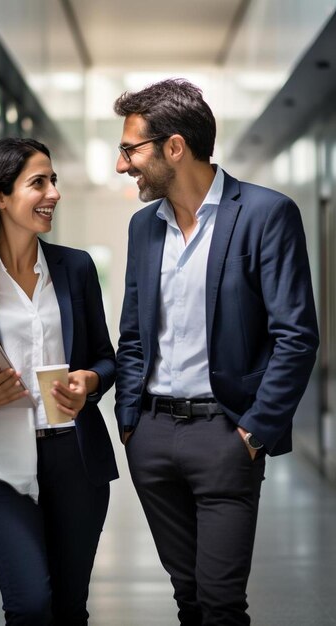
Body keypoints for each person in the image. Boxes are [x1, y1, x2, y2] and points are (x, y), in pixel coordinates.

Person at [113, 78, 319, 626]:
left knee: (222, 603)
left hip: (226, 434)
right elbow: (133, 333)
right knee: (190, 601)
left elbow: (296, 335)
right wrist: (130, 421)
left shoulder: (265, 213)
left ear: (173, 148)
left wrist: (253, 433)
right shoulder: (143, 228)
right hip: (152, 438)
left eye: (130, 149)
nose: (121, 165)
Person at [0, 137, 118, 626]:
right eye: (39, 182)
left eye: (53, 180)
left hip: (75, 462)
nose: (53, 192)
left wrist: (88, 381)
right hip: (2, 469)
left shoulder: (75, 268)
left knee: (69, 609)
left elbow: (106, 358)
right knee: (30, 605)